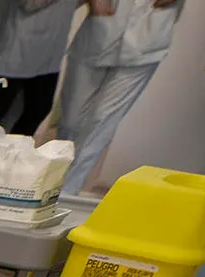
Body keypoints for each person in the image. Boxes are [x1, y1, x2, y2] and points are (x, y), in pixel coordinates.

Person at [57, 0, 184, 193]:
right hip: (99, 31)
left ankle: (65, 193)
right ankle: (52, 180)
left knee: (102, 121)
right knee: (71, 120)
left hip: (146, 41)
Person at [0, 0, 78, 135]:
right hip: (16, 52)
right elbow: (28, 4)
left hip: (50, 55)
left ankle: (14, 153)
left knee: (39, 110)